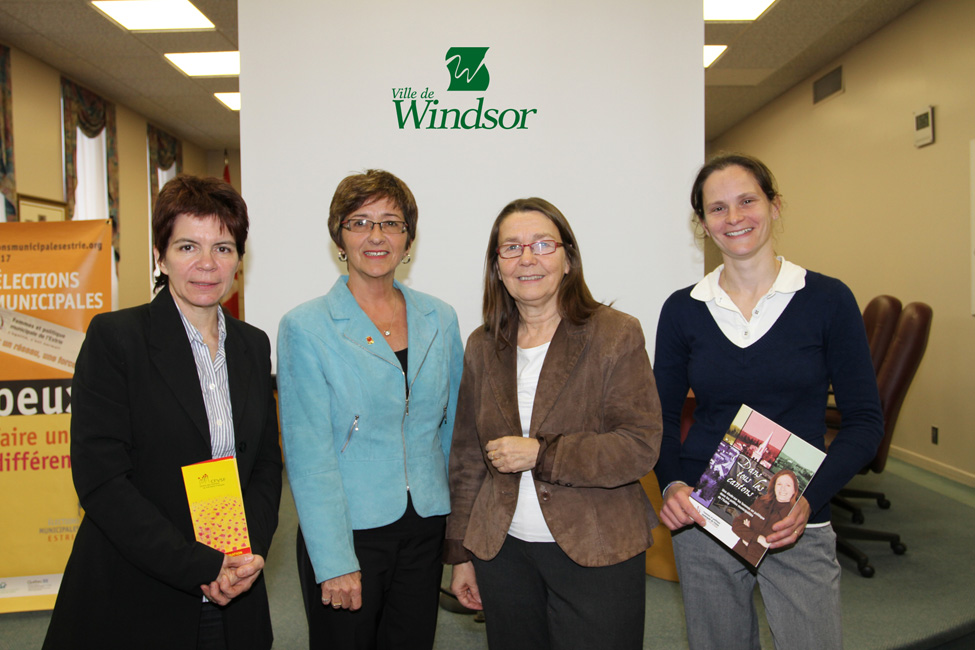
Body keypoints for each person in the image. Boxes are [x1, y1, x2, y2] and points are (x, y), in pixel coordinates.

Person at [654, 153, 884, 650]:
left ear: (775, 206)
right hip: (706, 509)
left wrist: (808, 498)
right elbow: (661, 417)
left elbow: (865, 421)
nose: (733, 218)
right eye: (717, 209)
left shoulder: (827, 300)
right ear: (702, 224)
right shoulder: (682, 309)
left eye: (747, 201)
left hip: (794, 515)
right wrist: (670, 482)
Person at [43, 176, 283, 650]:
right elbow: (103, 481)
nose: (207, 265)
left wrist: (241, 558)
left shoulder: (253, 345)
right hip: (135, 593)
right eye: (188, 246)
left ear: (239, 260)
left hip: (233, 593)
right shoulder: (117, 340)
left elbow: (264, 467)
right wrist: (200, 565)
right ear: (160, 254)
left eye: (224, 248)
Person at [446, 197, 662, 650]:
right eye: (511, 248)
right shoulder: (482, 345)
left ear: (568, 258)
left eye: (543, 244)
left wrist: (543, 454)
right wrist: (462, 554)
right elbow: (466, 457)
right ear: (497, 266)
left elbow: (639, 444)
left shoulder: (616, 333)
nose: (527, 258)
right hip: (502, 553)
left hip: (596, 547)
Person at [277, 169, 463, 649]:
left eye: (391, 222)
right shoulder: (306, 326)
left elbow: (454, 433)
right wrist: (335, 560)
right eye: (359, 222)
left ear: (408, 237)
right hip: (348, 531)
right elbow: (309, 455)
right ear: (340, 236)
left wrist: (459, 540)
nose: (376, 236)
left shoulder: (440, 318)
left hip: (425, 525)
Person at [731, 469, 799, 565]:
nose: (783, 489)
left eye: (788, 485)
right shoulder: (761, 502)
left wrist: (747, 539)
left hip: (760, 566)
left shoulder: (792, 516)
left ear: (794, 490)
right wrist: (758, 538)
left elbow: (777, 549)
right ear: (774, 486)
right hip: (736, 554)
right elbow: (736, 524)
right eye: (779, 484)